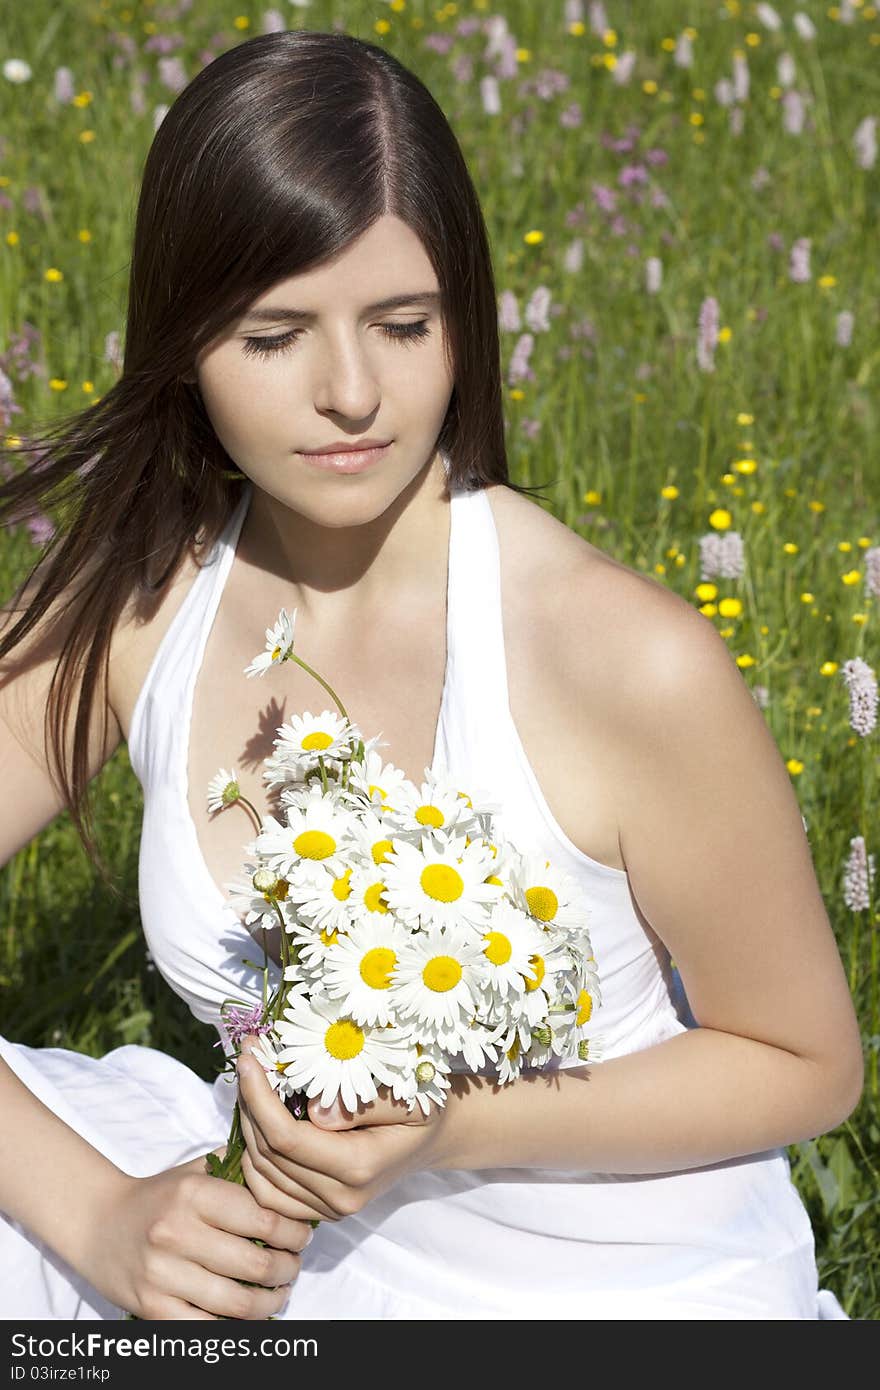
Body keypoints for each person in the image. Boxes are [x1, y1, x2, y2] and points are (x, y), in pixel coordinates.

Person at [0, 29, 863, 1322]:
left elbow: (806, 1064)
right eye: (276, 333)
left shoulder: (619, 654)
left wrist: (448, 1126)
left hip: (624, 1284)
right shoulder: (143, 601)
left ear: (464, 316)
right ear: (184, 344)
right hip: (284, 1260)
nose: (352, 391)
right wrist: (98, 1212)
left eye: (402, 324)